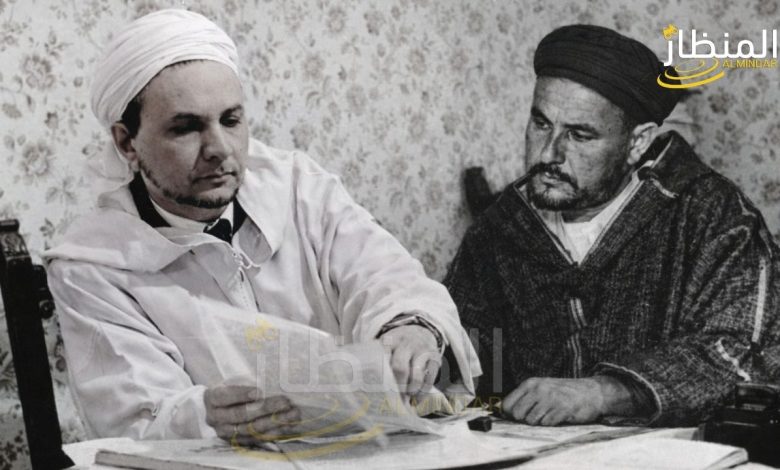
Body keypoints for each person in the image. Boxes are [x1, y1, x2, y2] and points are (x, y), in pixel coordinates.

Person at [44, 9, 479, 440]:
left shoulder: (300, 188)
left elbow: (388, 276)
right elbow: (134, 417)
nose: (219, 148)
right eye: (186, 128)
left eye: (231, 120)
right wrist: (203, 415)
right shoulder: (94, 266)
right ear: (127, 143)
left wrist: (411, 326)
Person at [444, 24, 780, 427]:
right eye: (541, 123)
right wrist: (434, 362)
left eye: (580, 135)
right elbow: (467, 350)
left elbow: (743, 352)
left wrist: (606, 392)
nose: (549, 154)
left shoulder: (713, 217)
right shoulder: (499, 227)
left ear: (637, 143)